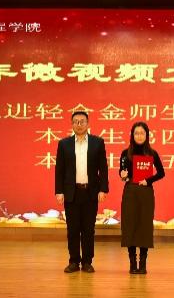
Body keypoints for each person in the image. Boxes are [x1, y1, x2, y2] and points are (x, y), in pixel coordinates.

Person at [55, 111, 109, 273]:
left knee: (88, 229)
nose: (79, 124)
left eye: (82, 121)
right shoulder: (64, 144)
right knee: (72, 229)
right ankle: (73, 261)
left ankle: (87, 262)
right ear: (72, 124)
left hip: (90, 192)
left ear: (88, 123)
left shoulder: (97, 143)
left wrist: (103, 189)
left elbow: (103, 168)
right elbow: (59, 170)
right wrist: (59, 191)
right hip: (71, 192)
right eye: (76, 122)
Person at [119, 122, 165, 275]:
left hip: (146, 192)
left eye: (142, 133)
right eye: (136, 133)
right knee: (130, 224)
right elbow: (122, 172)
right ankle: (133, 262)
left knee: (144, 225)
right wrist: (122, 175)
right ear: (132, 135)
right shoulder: (125, 153)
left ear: (147, 135)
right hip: (130, 191)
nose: (139, 136)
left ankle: (143, 262)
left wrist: (148, 180)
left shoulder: (152, 153)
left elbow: (161, 173)